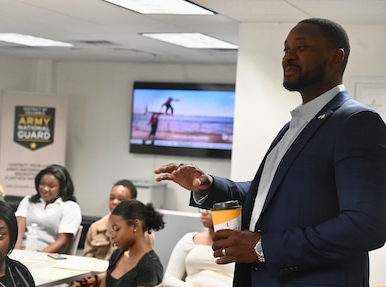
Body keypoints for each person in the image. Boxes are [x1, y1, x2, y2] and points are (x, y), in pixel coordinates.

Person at [154, 18, 386, 287]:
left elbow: (365, 227)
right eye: (286, 49)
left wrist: (264, 247)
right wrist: (208, 185)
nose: (288, 57)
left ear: (336, 57)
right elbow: (267, 194)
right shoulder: (294, 125)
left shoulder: (356, 122)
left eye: (301, 48)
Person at [74, 179, 155, 287]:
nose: (115, 202)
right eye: (112, 198)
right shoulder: (96, 227)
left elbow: (137, 267)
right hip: (94, 280)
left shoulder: (142, 233)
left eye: (120, 199)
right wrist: (90, 278)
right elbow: (87, 259)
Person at [14, 164, 82, 253]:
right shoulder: (28, 201)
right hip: (22, 251)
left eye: (51, 186)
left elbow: (62, 242)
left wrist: (36, 257)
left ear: (62, 188)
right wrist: (16, 253)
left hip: (48, 256)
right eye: (42, 184)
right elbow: (19, 229)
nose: (45, 189)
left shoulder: (70, 207)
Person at [100, 199, 165, 287]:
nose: (112, 235)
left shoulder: (150, 266)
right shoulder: (117, 254)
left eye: (117, 229)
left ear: (135, 225)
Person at [162, 209, 234, 287]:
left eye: (209, 208)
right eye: (202, 208)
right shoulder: (189, 239)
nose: (204, 212)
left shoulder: (236, 244)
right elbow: (169, 278)